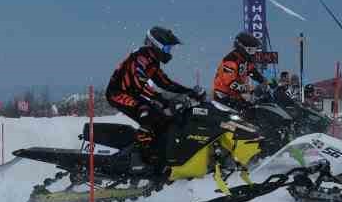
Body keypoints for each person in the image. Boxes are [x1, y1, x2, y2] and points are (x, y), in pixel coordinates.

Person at [105, 26, 202, 175]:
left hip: (134, 94)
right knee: (148, 114)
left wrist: (189, 92)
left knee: (163, 118)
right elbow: (139, 84)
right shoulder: (140, 58)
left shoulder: (152, 60)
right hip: (118, 93)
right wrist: (161, 100)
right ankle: (137, 160)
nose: (169, 53)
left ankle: (155, 156)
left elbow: (165, 82)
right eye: (168, 49)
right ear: (156, 45)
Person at [212, 32, 268, 107]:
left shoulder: (245, 60)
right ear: (241, 48)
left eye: (255, 50)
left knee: (254, 108)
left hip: (236, 96)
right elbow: (231, 83)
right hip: (223, 96)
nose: (253, 54)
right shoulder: (230, 60)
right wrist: (247, 88)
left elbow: (252, 72)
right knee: (245, 114)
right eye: (250, 50)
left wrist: (263, 81)